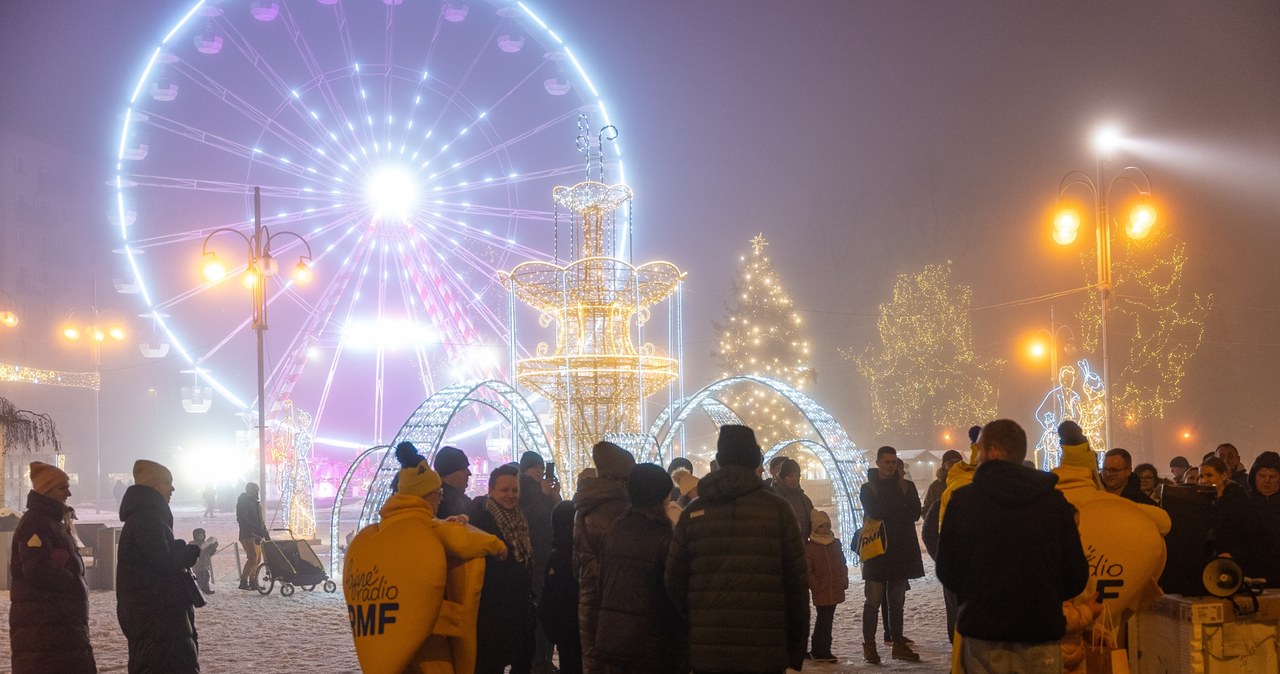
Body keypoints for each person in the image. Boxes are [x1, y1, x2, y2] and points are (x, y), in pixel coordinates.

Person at [937, 420, 1088, 674]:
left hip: (982, 633)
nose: (977, 455)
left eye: (980, 448)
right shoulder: (1054, 503)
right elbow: (1075, 576)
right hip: (1041, 634)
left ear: (993, 451)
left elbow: (947, 571)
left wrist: (979, 595)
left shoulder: (963, 502)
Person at [666, 424, 809, 674]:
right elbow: (796, 583)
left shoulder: (692, 514)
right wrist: (794, 648)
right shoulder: (778, 510)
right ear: (755, 461)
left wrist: (692, 631)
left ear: (720, 461)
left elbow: (674, 582)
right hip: (764, 647)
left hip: (708, 648)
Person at [593, 463, 687, 673]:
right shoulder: (663, 537)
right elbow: (676, 592)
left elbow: (601, 586)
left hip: (612, 638)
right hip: (651, 644)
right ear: (660, 497)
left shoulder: (615, 531)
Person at [10, 461, 97, 673]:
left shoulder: (53, 521)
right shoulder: (36, 523)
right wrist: (70, 581)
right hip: (45, 626)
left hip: (57, 624)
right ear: (47, 490)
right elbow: (37, 568)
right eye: (62, 487)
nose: (68, 493)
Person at [117, 460, 203, 673]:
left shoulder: (145, 516)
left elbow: (155, 556)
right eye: (167, 482)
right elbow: (162, 561)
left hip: (156, 616)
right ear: (152, 485)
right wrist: (188, 553)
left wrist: (176, 548)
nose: (172, 488)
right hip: (159, 617)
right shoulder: (148, 517)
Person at [572, 441, 635, 673]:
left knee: (594, 662)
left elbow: (576, 564)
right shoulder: (623, 509)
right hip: (616, 604)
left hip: (588, 598)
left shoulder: (584, 507)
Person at [859, 446, 923, 663]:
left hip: (901, 552)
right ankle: (869, 645)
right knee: (873, 602)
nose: (890, 466)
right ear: (878, 463)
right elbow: (876, 512)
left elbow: (915, 513)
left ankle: (897, 643)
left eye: (893, 462)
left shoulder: (907, 486)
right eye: (886, 462)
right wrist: (899, 508)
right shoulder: (868, 488)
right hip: (877, 551)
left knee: (897, 602)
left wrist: (892, 510)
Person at [470, 463, 536, 674]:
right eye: (504, 490)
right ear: (491, 491)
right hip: (491, 611)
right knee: (490, 664)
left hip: (517, 608)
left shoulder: (520, 517)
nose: (510, 495)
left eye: (514, 490)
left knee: (521, 657)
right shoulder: (481, 518)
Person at [517, 450, 561, 674]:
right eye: (537, 468)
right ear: (527, 469)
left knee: (545, 611)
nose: (541, 473)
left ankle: (543, 660)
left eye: (543, 469)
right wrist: (544, 496)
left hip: (544, 558)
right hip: (537, 561)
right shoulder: (524, 489)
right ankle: (539, 662)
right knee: (540, 612)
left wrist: (554, 496)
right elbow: (537, 519)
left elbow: (557, 518)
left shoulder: (536, 490)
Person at [1199, 457, 1267, 580]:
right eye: (1201, 476)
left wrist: (1233, 554)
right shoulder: (1204, 503)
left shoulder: (1239, 503)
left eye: (1209, 475)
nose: (1204, 480)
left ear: (1224, 475)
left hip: (1235, 568)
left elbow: (1258, 539)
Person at [539, 501, 582, 674]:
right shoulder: (582, 548)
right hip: (582, 627)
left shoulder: (558, 553)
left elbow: (551, 598)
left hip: (567, 631)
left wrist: (554, 633)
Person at [805, 509, 848, 664]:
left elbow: (842, 563)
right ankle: (820, 650)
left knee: (826, 619)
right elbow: (808, 571)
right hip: (821, 590)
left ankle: (822, 650)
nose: (825, 529)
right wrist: (815, 587)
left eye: (827, 525)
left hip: (835, 587)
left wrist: (843, 579)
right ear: (815, 528)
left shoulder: (835, 544)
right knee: (824, 619)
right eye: (821, 526)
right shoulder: (810, 548)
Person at [1247, 451, 1280, 587]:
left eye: (1272, 476)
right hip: (1251, 569)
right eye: (1262, 476)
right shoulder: (1244, 502)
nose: (1266, 480)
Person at [236, 481, 269, 590]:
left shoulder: (255, 503)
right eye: (256, 491)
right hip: (248, 535)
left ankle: (253, 581)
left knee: (257, 559)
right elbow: (242, 519)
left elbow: (260, 520)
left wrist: (265, 532)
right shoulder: (245, 502)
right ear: (251, 491)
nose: (257, 493)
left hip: (257, 535)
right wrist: (251, 530)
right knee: (253, 558)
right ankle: (244, 581)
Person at [773, 457, 814, 541]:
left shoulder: (804, 499)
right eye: (790, 476)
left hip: (802, 547)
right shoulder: (774, 498)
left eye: (797, 476)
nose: (794, 479)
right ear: (782, 477)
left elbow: (812, 524)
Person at [434, 445, 473, 520]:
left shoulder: (457, 497)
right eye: (462, 469)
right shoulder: (440, 504)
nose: (469, 473)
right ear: (447, 473)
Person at [191, 528, 218, 595]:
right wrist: (207, 547)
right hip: (198, 565)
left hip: (204, 564)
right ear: (195, 536)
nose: (202, 537)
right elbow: (200, 552)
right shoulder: (193, 544)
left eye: (202, 535)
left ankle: (206, 589)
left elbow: (209, 553)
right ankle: (197, 591)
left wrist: (213, 547)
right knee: (200, 578)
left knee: (206, 577)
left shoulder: (204, 544)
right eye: (200, 535)